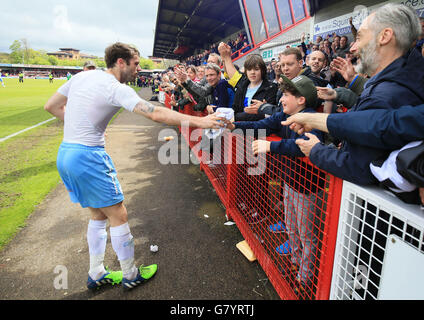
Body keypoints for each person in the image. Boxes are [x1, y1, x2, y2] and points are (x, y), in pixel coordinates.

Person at [43, 42, 224, 292]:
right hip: (87, 156)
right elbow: (155, 114)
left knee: (97, 213)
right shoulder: (116, 88)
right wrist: (200, 121)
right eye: (136, 64)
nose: (139, 69)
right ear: (121, 62)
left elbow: (51, 106)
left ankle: (96, 272)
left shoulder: (83, 76)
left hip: (66, 153)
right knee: (119, 214)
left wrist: (83, 127)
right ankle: (130, 273)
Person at [289, 3, 424, 186]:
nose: (353, 48)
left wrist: (315, 150)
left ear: (384, 36)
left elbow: (361, 168)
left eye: (359, 37)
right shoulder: (405, 79)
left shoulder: (387, 95)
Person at [225, 75, 324, 295]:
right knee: (292, 227)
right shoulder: (285, 114)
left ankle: (305, 278)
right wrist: (234, 125)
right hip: (290, 183)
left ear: (301, 100)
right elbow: (261, 124)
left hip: (308, 189)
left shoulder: (312, 117)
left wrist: (270, 146)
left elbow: (305, 146)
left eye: (287, 95)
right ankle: (296, 264)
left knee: (307, 235)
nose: (282, 99)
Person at [218, 42, 278, 121]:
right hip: (240, 128)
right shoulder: (242, 84)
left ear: (262, 70)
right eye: (249, 69)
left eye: (256, 69)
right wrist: (226, 57)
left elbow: (266, 115)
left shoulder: (271, 88)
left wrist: (237, 117)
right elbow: (232, 73)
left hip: (260, 131)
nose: (252, 72)